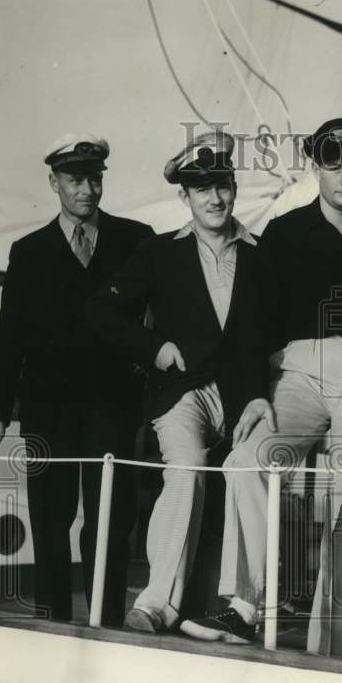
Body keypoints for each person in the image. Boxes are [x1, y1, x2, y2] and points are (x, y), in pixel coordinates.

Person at [179, 118, 342, 651]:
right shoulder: (282, 233)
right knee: (245, 460)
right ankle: (246, 602)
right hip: (296, 370)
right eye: (333, 164)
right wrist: (253, 392)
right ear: (315, 167)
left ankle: (334, 636)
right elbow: (249, 325)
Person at [87, 130, 273, 634]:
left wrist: (260, 393)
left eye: (223, 186)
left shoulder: (262, 255)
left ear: (235, 187)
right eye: (201, 189)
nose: (214, 198)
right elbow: (102, 310)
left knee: (248, 469)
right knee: (186, 467)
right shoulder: (158, 255)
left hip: (245, 397)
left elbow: (270, 334)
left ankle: (244, 607)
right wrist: (154, 349)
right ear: (184, 196)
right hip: (182, 394)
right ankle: (156, 605)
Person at [0, 134, 154, 626]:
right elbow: (9, 338)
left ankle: (107, 623)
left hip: (113, 405)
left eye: (96, 178)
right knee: (50, 521)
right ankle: (51, 624)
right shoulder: (28, 251)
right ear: (54, 182)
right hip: (47, 408)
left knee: (111, 521)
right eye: (76, 179)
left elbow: (158, 320)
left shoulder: (137, 238)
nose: (88, 189)